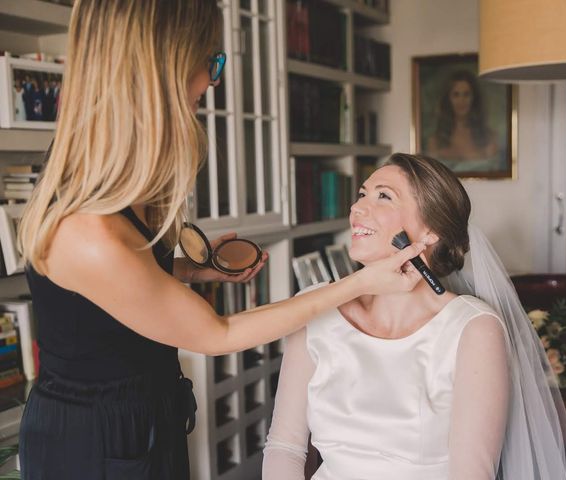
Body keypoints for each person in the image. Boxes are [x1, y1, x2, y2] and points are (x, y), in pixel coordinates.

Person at [16, 2, 425, 479]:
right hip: (93, 444)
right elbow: (218, 334)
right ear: (161, 64)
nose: (213, 81)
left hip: (149, 413)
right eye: (209, 61)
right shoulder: (85, 231)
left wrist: (189, 270)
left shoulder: (118, 186)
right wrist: (357, 283)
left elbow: (109, 295)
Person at [263, 153, 566, 480]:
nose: (356, 209)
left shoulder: (473, 330)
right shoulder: (315, 308)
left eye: (383, 196)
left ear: (430, 231)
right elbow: (284, 447)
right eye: (361, 194)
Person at [427, 70, 498, 167]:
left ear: (474, 99)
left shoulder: (489, 138)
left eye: (466, 94)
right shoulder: (434, 141)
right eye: (456, 95)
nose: (461, 101)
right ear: (448, 99)